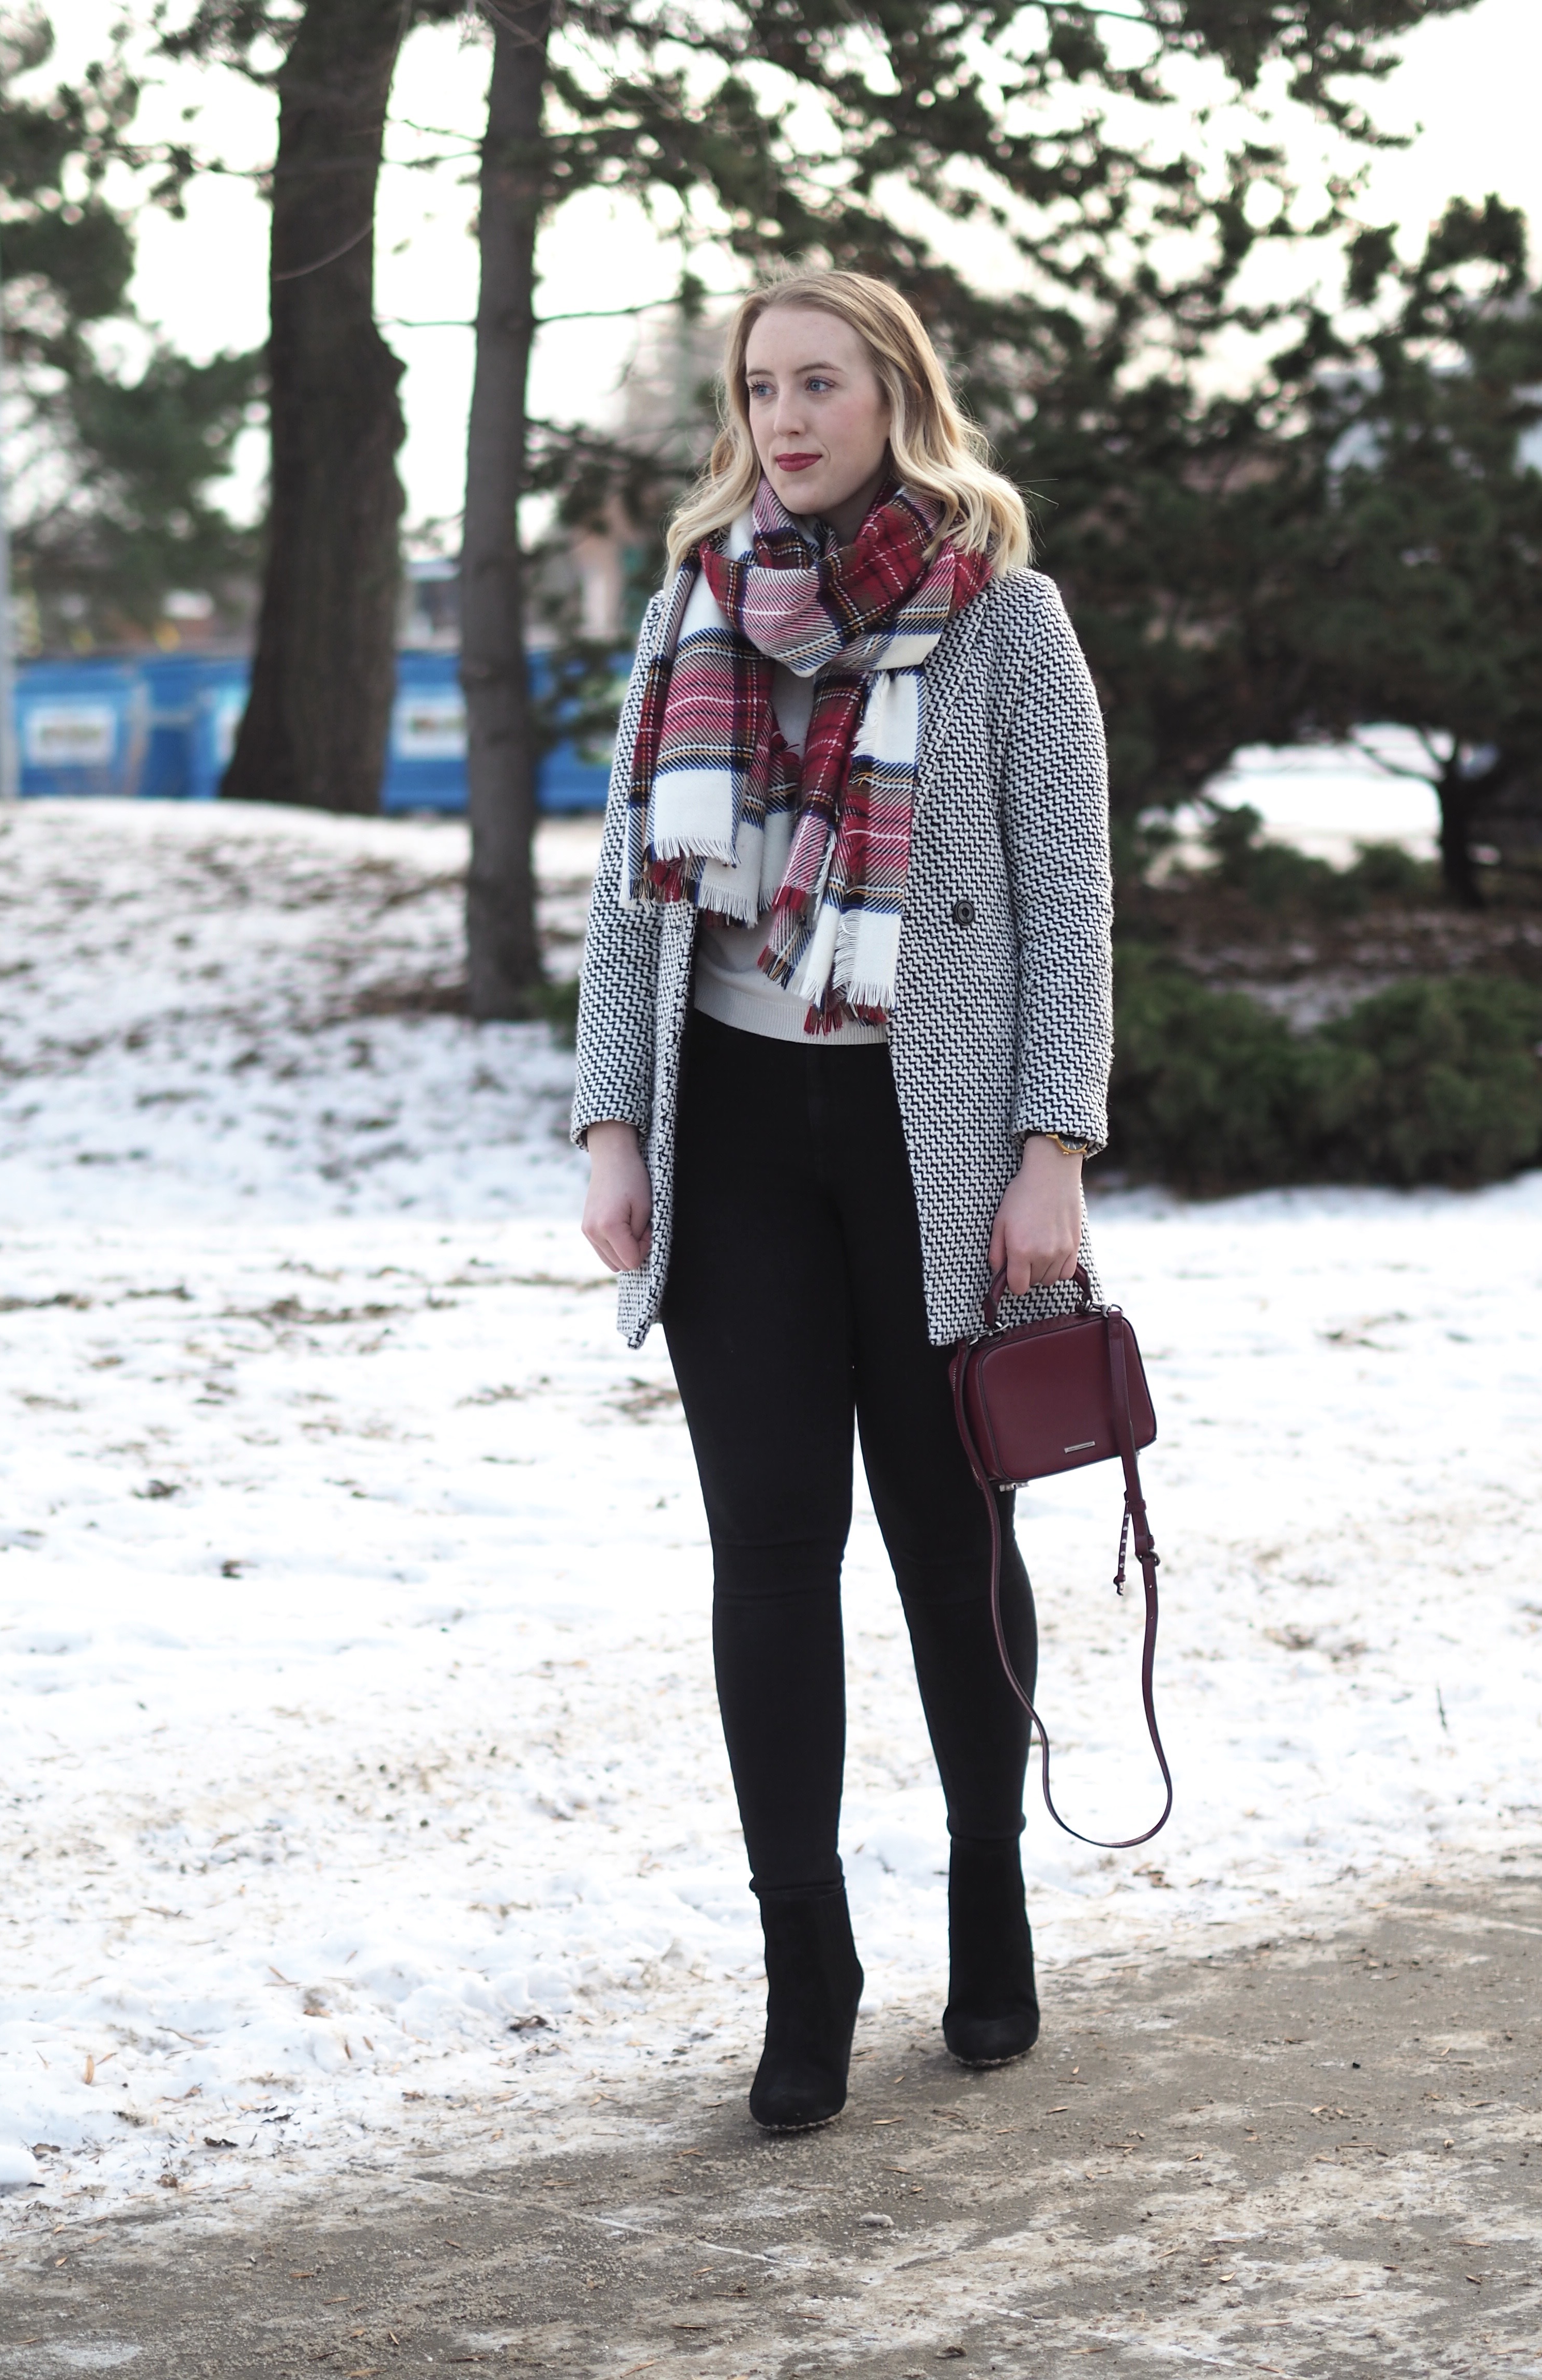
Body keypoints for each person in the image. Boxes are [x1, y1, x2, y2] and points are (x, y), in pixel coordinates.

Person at [573, 269, 1112, 2132]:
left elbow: (1070, 906)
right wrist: (610, 1127)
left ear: (897, 394)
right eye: (759, 388)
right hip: (732, 1131)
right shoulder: (694, 605)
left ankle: (990, 1904)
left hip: (933, 1143)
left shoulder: (1005, 621)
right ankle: (807, 1964)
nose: (785, 418)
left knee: (952, 1544)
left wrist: (1052, 1145)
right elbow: (625, 895)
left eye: (821, 383)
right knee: (770, 1556)